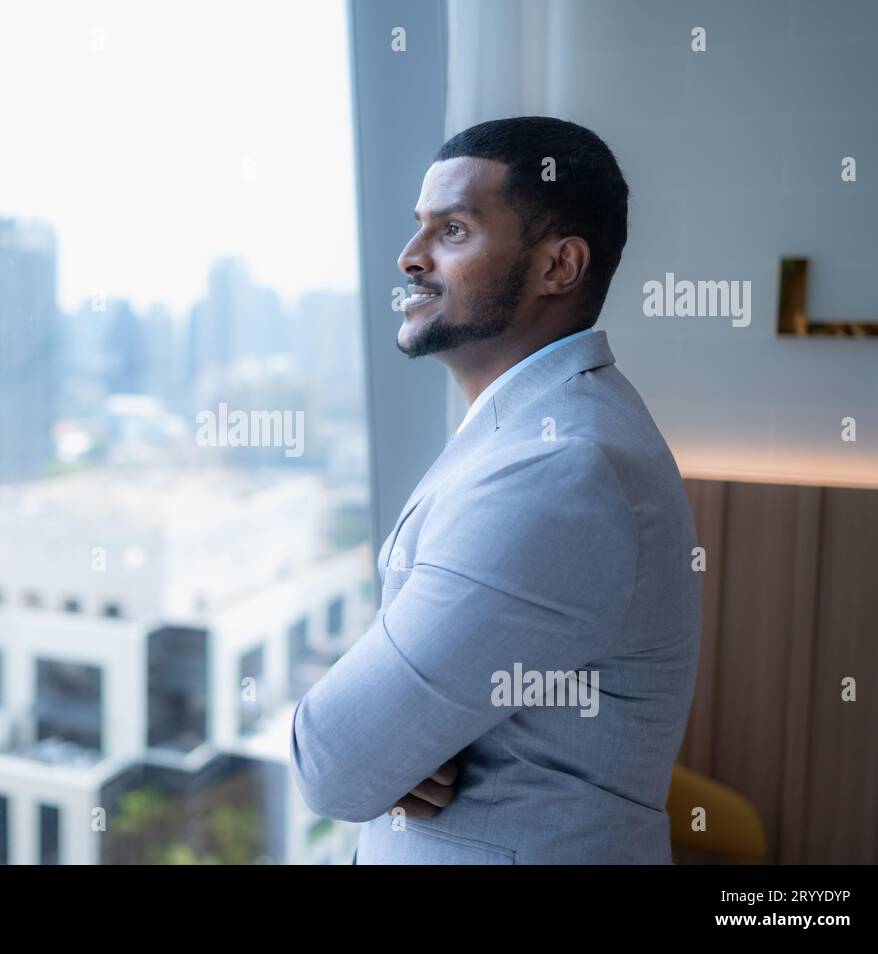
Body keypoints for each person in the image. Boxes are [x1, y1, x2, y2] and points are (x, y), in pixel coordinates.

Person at [290, 116, 701, 864]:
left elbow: (335, 762)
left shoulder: (557, 468)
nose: (410, 258)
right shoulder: (535, 429)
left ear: (559, 267)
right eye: (420, 229)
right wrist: (394, 746)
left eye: (453, 230)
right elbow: (367, 753)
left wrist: (387, 747)